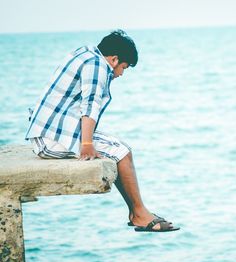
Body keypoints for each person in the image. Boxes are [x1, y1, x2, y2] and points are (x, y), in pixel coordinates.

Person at [25, 30, 179, 232]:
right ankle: (140, 214)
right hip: (52, 140)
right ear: (114, 60)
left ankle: (137, 212)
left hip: (45, 133)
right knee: (123, 152)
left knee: (120, 148)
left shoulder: (85, 53)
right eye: (123, 67)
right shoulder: (98, 65)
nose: (121, 74)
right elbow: (90, 106)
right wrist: (87, 145)